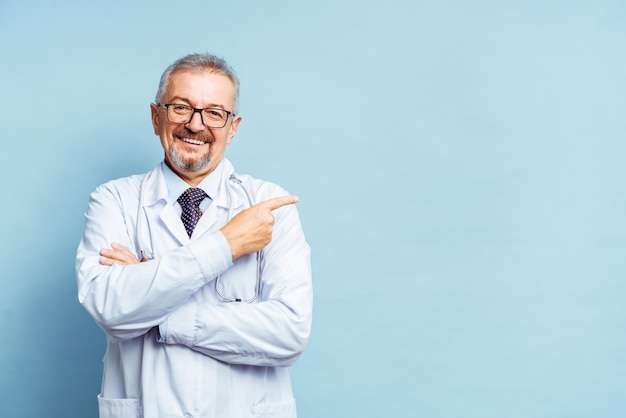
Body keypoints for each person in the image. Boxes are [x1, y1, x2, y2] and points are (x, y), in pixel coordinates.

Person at [75, 53, 313, 418]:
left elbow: (289, 334)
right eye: (180, 108)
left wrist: (152, 298)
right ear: (156, 117)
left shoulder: (270, 207)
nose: (195, 124)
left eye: (214, 113)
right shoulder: (114, 200)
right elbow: (109, 307)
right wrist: (226, 244)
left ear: (233, 127)